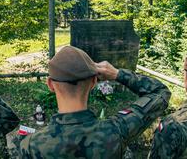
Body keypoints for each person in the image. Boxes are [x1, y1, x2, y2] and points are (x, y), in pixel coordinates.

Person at [18, 46, 171, 158]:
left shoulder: (30, 145)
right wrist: (117, 74)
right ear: (93, 82)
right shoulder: (117, 130)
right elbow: (161, 92)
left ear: (50, 84)